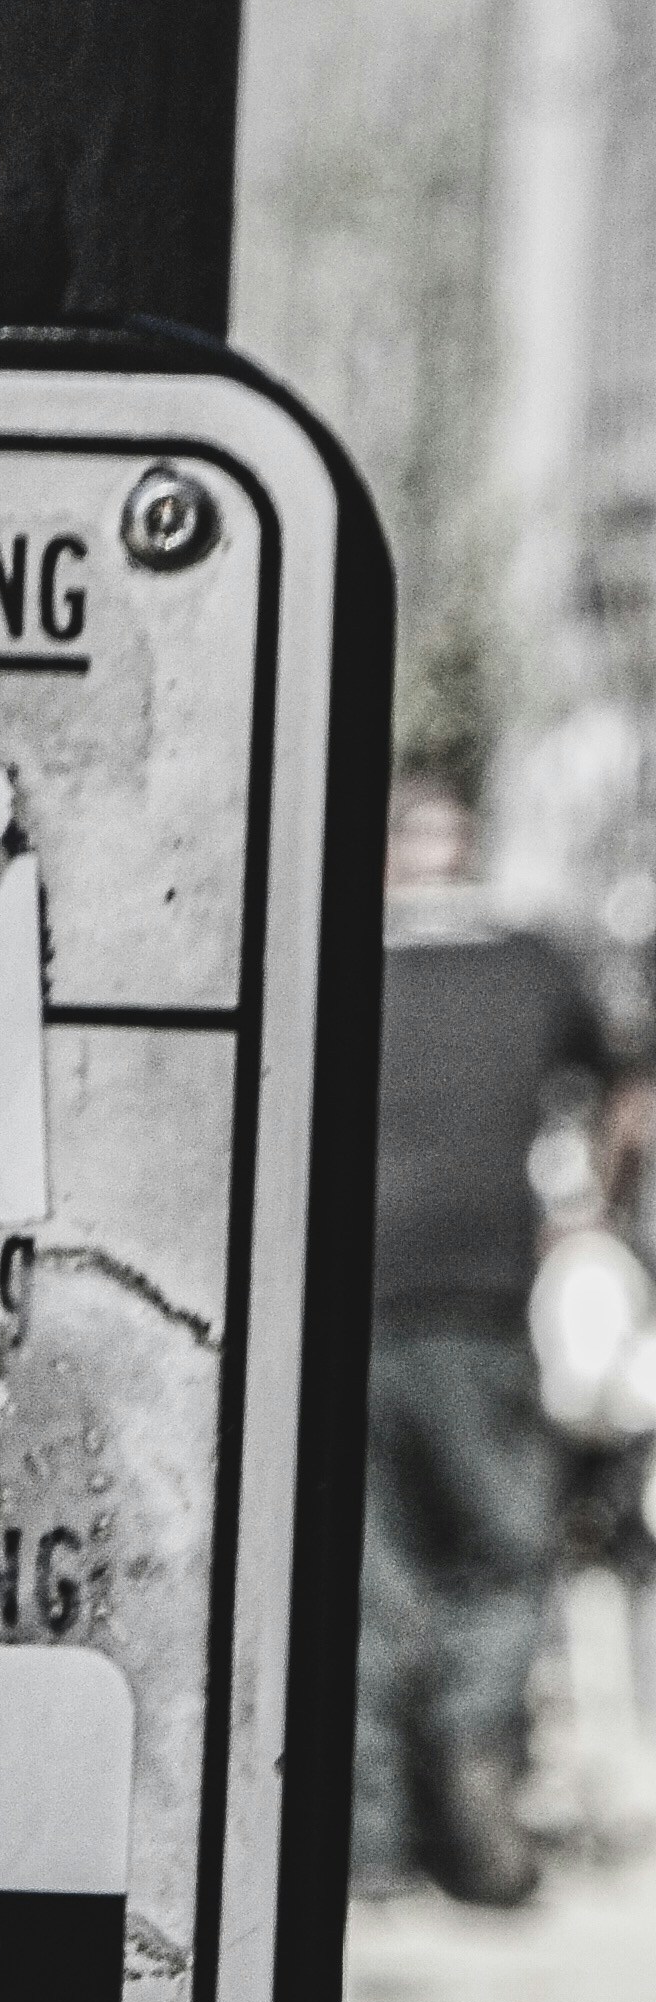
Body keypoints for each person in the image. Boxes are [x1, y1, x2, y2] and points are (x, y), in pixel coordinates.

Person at [362, 773, 649, 1902]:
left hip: (351, 1302)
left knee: (369, 1567)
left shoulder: (333, 948)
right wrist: (590, 1213)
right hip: (478, 1303)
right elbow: (630, 1091)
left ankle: (371, 1840)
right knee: (505, 1551)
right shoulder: (531, 962)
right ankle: (468, 1752)